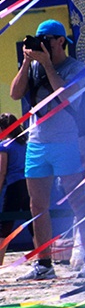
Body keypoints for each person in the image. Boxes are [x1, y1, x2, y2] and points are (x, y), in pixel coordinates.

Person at [9, 19, 85, 281]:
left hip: (67, 141)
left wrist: (47, 64)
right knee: (37, 205)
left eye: (47, 40)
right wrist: (27, 62)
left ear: (61, 41)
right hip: (37, 143)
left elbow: (66, 96)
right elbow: (15, 94)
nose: (43, 44)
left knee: (78, 201)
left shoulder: (75, 68)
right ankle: (44, 263)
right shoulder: (33, 67)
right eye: (39, 40)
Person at [0, 113, 30, 265]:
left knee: (5, 225)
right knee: (32, 223)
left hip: (14, 186)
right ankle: (44, 258)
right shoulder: (24, 143)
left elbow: (2, 171)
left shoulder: (4, 146)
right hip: (28, 184)